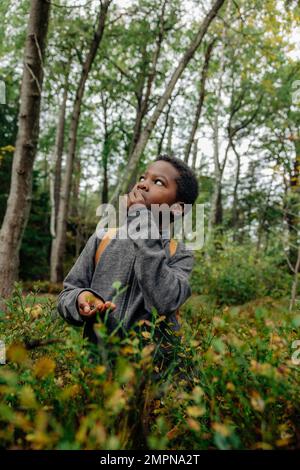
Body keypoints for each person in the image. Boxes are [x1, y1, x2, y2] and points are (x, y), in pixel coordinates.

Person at [57, 154, 199, 372]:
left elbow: (164, 301)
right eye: (143, 177)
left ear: (177, 209)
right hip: (96, 373)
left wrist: (140, 218)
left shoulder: (180, 254)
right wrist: (80, 300)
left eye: (157, 182)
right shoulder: (102, 239)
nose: (142, 184)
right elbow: (67, 294)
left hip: (151, 379)